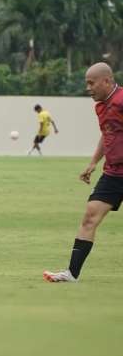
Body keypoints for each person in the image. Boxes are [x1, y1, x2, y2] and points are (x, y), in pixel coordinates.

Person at [44, 62, 123, 283]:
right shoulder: (100, 106)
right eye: (86, 83)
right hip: (114, 174)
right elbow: (108, 133)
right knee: (90, 217)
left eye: (91, 83)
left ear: (106, 81)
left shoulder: (121, 100)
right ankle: (72, 273)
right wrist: (93, 162)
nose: (88, 88)